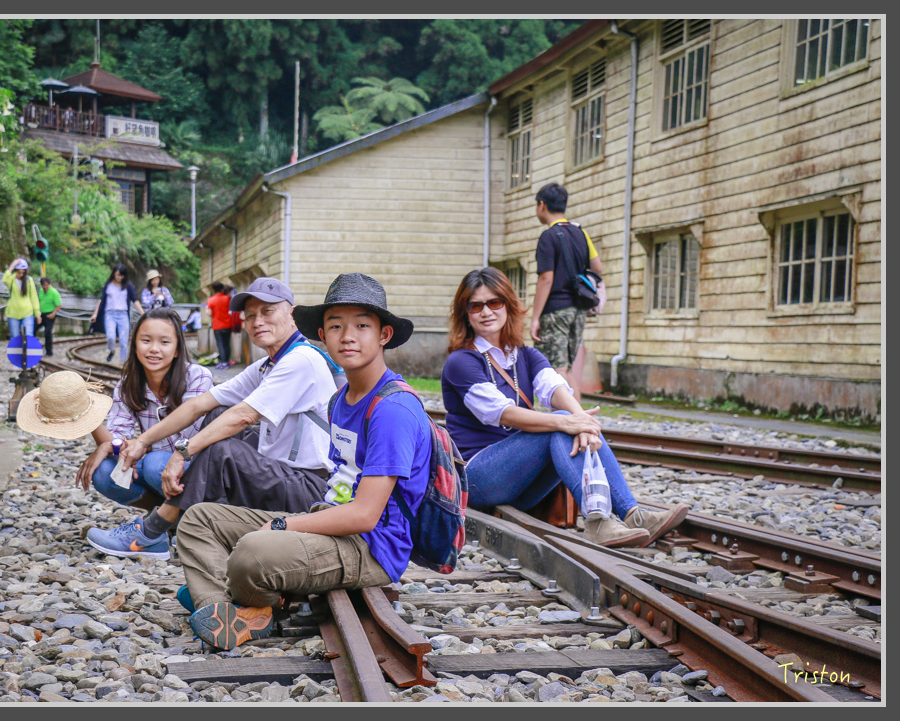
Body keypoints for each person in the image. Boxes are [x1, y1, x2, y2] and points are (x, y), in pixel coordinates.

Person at [172, 272, 432, 651]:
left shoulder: (392, 409)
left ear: (383, 336)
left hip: (369, 547)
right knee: (197, 520)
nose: (348, 336)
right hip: (326, 519)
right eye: (336, 326)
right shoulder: (343, 401)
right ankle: (224, 610)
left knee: (251, 552)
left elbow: (364, 515)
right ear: (322, 337)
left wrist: (284, 524)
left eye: (362, 325)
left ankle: (230, 597)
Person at [83, 277, 338, 561]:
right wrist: (143, 441)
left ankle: (151, 532)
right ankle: (198, 520)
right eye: (250, 315)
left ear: (292, 313)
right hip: (285, 476)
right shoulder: (268, 364)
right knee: (216, 415)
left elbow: (243, 416)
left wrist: (182, 452)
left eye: (268, 312)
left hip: (310, 490)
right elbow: (200, 405)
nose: (257, 322)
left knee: (220, 446)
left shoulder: (299, 360)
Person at [441, 267, 688, 547]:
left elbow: (555, 388)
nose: (486, 312)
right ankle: (598, 522)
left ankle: (633, 515)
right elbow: (502, 413)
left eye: (494, 302)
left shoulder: (527, 355)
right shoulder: (462, 362)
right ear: (466, 314)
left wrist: (581, 419)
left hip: (521, 482)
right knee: (560, 422)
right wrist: (567, 421)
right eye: (476, 306)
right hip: (477, 479)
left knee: (567, 417)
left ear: (508, 306)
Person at [68, 309, 214, 549]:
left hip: (199, 470)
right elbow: (118, 440)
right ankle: (173, 519)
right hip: (160, 470)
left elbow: (187, 442)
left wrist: (140, 447)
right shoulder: (128, 385)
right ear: (135, 345)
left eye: (164, 342)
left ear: (177, 349)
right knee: (104, 473)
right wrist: (93, 424)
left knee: (155, 463)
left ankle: (190, 518)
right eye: (146, 340)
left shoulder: (198, 377)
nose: (154, 349)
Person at [528, 182, 605, 400]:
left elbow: (546, 278)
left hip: (555, 311)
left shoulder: (548, 237)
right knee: (567, 370)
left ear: (541, 205)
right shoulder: (580, 233)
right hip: (578, 311)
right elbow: (597, 267)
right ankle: (579, 421)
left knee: (556, 371)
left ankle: (567, 424)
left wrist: (535, 318)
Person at [89, 264, 144, 364]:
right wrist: (95, 314)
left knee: (124, 341)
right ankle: (112, 350)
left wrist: (143, 313)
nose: (119, 277)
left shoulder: (128, 286)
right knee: (111, 336)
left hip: (123, 315)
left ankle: (123, 363)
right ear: (114, 274)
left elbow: (135, 300)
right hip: (110, 314)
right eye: (117, 275)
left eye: (121, 275)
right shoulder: (108, 285)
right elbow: (101, 300)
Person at [2, 258, 41, 341]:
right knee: (14, 339)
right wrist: (12, 265)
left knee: (29, 337)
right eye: (19, 272)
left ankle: (28, 354)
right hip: (13, 313)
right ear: (15, 271)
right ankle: (17, 354)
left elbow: (34, 297)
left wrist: (37, 314)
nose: (21, 274)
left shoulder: (29, 280)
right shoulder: (11, 280)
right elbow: (4, 279)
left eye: (23, 272)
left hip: (27, 313)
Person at [206, 281, 234, 369]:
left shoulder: (211, 299)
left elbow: (209, 313)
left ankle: (223, 362)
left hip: (217, 325)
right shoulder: (227, 298)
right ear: (222, 289)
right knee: (227, 343)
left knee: (220, 344)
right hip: (228, 324)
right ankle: (227, 361)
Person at [36, 277, 62, 357]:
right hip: (41, 314)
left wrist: (53, 313)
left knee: (47, 332)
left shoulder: (54, 292)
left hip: (50, 314)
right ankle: (33, 348)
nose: (45, 287)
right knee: (33, 329)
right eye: (43, 285)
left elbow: (59, 305)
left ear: (49, 284)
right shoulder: (41, 291)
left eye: (46, 285)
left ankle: (49, 351)